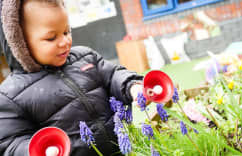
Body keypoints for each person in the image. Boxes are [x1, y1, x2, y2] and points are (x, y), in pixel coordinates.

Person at [0, 0, 144, 155]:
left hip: (121, 150)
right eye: (51, 38)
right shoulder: (10, 95)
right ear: (20, 42)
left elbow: (113, 75)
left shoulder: (85, 57)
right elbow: (10, 143)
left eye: (66, 32)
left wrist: (132, 86)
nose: (65, 41)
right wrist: (37, 151)